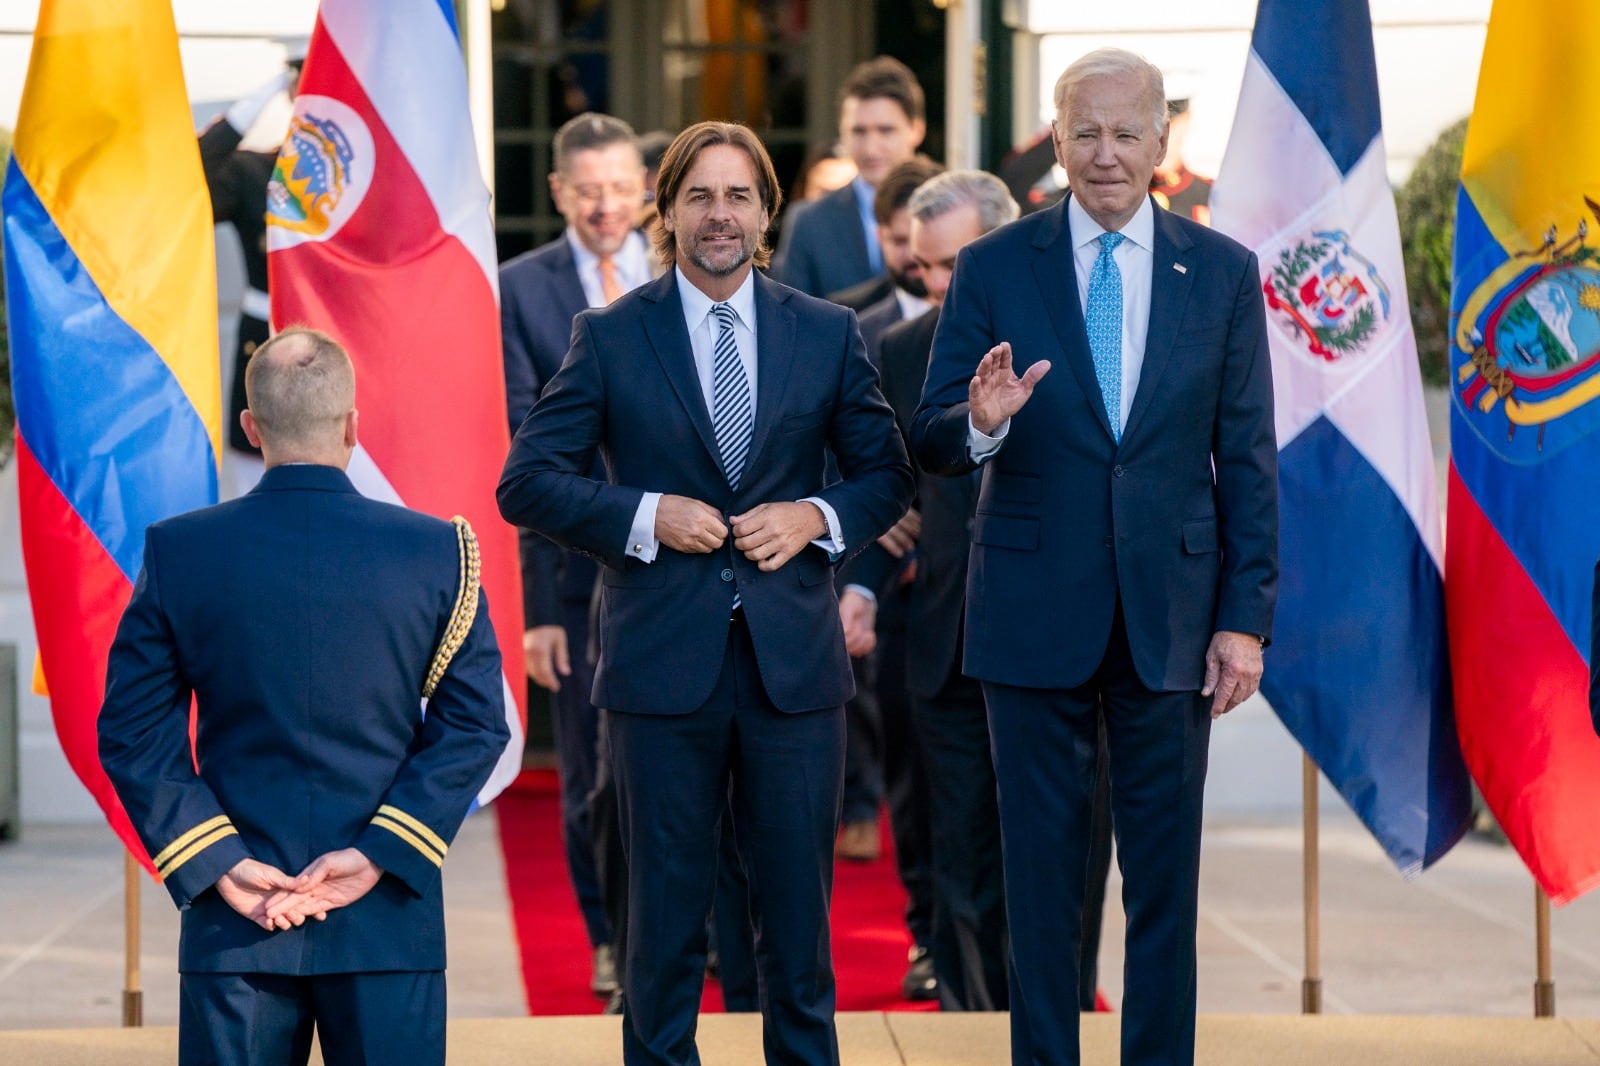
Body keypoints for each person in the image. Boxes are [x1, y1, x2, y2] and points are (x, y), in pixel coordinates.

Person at [498, 120, 912, 1066]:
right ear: (668, 210)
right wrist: (646, 515)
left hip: (792, 672)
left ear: (766, 213)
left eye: (737, 196)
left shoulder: (826, 330)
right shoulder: (610, 334)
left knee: (797, 935)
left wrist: (813, 516)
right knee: (661, 932)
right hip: (658, 669)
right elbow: (527, 483)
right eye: (699, 196)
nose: (719, 214)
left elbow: (887, 474)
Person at [911, 48, 1277, 1066]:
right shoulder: (993, 266)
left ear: (1160, 141)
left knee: (1163, 883)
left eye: (1125, 133)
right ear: (1057, 142)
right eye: (1085, 132)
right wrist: (980, 423)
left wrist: (1244, 620)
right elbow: (931, 434)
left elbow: (1248, 458)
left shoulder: (1221, 271)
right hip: (1031, 613)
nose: (1105, 153)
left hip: (1173, 618)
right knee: (1038, 879)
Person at [98, 328, 510, 1066]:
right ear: (352, 425)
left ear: (251, 428)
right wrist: (382, 853)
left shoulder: (179, 550)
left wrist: (216, 858)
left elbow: (135, 734)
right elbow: (475, 727)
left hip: (239, 917)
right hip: (386, 918)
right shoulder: (438, 552)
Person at [499, 110, 654, 1005]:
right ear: (559, 192)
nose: (606, 206)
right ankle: (608, 939)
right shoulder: (520, 289)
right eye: (588, 190)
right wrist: (537, 613)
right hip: (575, 575)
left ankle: (691, 927)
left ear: (645, 188)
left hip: (689, 561)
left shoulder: (685, 271)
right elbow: (527, 456)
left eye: (621, 187)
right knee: (594, 775)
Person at [864, 170, 1020, 1011]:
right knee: (956, 852)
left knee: (1048, 853)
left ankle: (1050, 1019)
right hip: (942, 639)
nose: (935, 285)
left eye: (954, 265)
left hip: (1053, 642)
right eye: (924, 267)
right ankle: (967, 1025)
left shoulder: (1068, 331)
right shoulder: (902, 348)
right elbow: (881, 480)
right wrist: (873, 529)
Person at [198, 53, 300, 496]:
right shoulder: (255, 171)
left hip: (341, 343)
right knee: (253, 471)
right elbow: (191, 178)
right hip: (264, 339)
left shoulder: (362, 175)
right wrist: (256, 102)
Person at [773, 56, 926, 297]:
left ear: (916, 129)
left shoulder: (951, 212)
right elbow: (791, 314)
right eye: (858, 131)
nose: (871, 148)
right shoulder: (808, 222)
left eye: (886, 130)